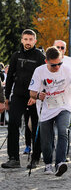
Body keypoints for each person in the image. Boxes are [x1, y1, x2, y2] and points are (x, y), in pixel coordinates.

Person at [29, 46, 71, 176]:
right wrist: (37, 96)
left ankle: (60, 163)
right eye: (54, 65)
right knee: (47, 139)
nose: (57, 67)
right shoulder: (39, 71)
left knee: (63, 131)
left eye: (59, 63)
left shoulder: (66, 68)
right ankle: (48, 164)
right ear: (46, 61)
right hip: (46, 108)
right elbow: (31, 92)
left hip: (64, 105)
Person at [1, 29, 45, 169]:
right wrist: (6, 97)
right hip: (18, 95)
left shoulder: (40, 56)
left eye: (30, 39)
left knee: (35, 127)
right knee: (13, 123)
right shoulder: (16, 55)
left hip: (34, 96)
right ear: (21, 40)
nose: (27, 42)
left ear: (35, 41)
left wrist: (36, 96)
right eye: (25, 39)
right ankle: (13, 158)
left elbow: (44, 78)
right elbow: (9, 79)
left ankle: (35, 158)